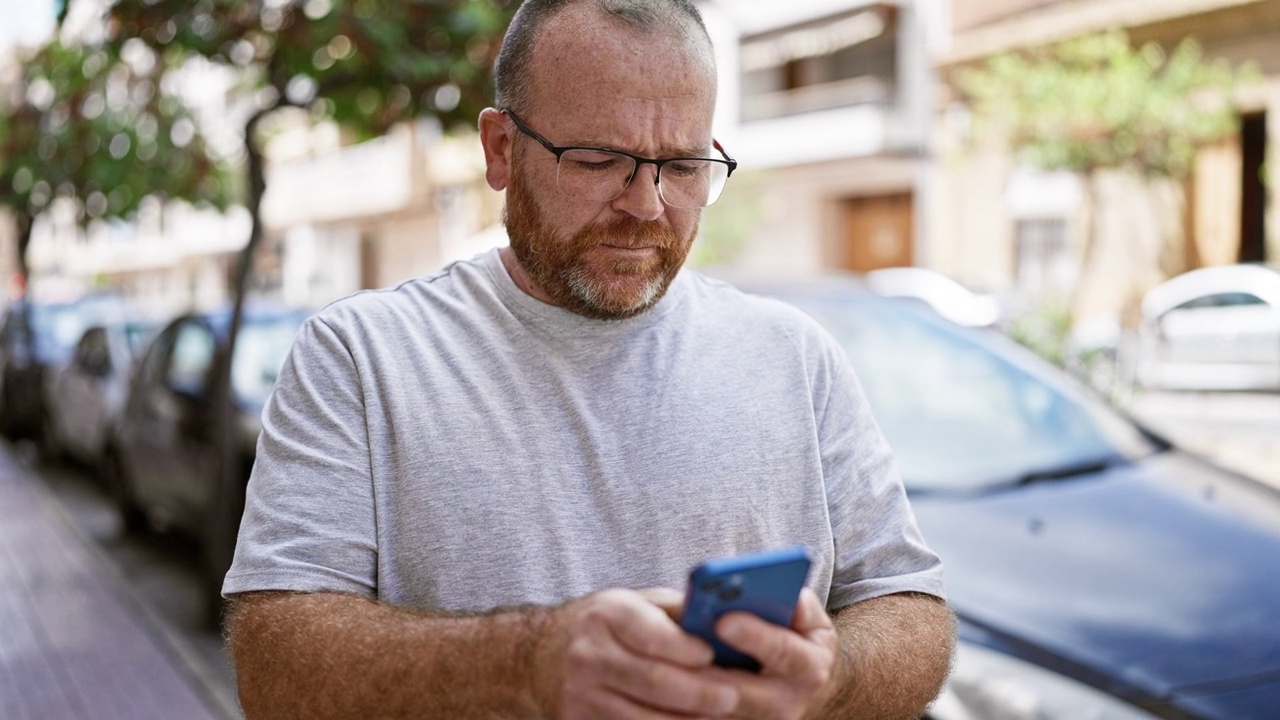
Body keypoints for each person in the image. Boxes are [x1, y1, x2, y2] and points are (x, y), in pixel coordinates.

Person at [223, 1, 956, 718]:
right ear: (501, 150)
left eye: (684, 164)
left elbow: (911, 609)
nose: (647, 203)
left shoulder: (796, 357)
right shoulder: (360, 357)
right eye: (599, 160)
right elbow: (272, 665)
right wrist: (526, 667)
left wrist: (832, 679)